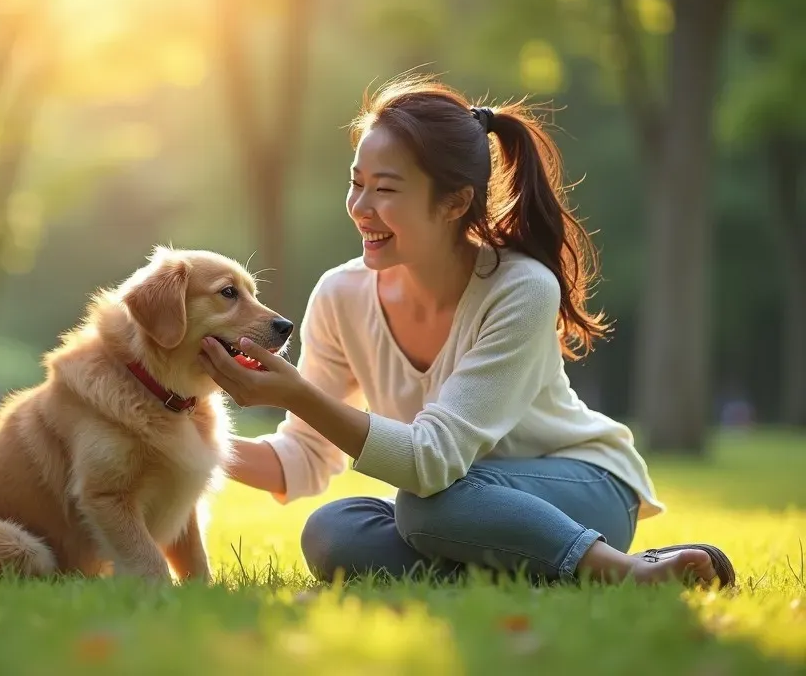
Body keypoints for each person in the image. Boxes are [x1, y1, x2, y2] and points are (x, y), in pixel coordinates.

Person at [198, 76, 735, 588]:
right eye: (356, 183)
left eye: (385, 189)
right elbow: (305, 453)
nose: (361, 208)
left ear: (455, 202)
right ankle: (556, 568)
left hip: (578, 486)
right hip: (447, 506)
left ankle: (623, 572)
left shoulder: (520, 287)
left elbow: (429, 462)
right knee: (333, 531)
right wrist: (179, 445)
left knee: (427, 504)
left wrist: (296, 392)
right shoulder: (341, 294)